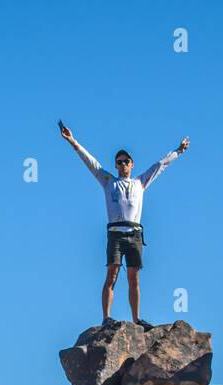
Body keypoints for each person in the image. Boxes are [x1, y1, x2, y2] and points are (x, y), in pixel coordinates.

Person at [60, 123, 190, 323]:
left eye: (126, 161)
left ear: (132, 164)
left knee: (134, 278)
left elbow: (161, 165)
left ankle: (137, 319)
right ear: (115, 165)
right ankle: (106, 318)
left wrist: (178, 151)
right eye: (119, 162)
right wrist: (72, 141)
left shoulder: (140, 182)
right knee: (111, 275)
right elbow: (90, 162)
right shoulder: (108, 181)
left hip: (134, 234)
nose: (122, 164)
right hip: (115, 234)